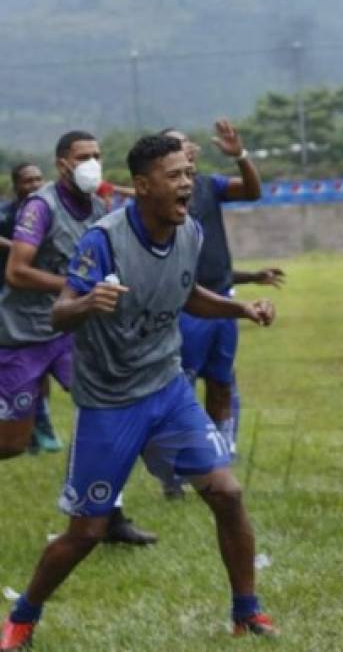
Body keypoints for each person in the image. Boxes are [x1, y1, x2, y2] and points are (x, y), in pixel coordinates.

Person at [0, 135, 278, 651]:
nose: (187, 183)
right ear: (144, 187)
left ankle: (247, 610)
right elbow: (61, 311)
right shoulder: (102, 242)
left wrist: (241, 308)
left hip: (167, 389)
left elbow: (188, 293)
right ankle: (21, 617)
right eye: (175, 176)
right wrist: (88, 303)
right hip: (110, 404)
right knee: (86, 532)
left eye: (189, 174)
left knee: (227, 493)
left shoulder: (189, 232)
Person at [0, 132, 155, 545]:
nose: (92, 163)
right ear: (63, 164)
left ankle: (111, 516)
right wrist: (74, 288)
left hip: (73, 331)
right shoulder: (40, 207)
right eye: (83, 156)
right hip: (24, 335)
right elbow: (17, 271)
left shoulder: (101, 206)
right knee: (12, 443)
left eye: (98, 155)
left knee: (108, 412)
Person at [159, 122, 282, 500]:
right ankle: (173, 468)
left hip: (223, 302)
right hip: (185, 307)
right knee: (181, 386)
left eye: (188, 144)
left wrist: (241, 156)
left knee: (221, 381)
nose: (189, 149)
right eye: (178, 146)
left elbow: (252, 190)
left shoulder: (209, 186)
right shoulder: (158, 200)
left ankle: (219, 454)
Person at [0, 164, 62, 453]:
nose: (35, 184)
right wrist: (17, 245)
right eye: (28, 180)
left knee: (44, 366)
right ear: (16, 185)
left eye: (39, 178)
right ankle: (30, 427)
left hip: (42, 303)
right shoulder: (6, 215)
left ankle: (41, 424)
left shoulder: (48, 211)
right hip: (8, 301)